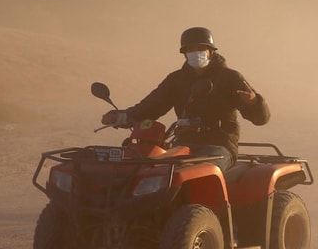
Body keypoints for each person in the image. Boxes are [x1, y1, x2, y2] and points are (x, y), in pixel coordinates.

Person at [101, 27, 269, 171]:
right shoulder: (176, 80)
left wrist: (255, 103)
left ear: (211, 51)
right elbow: (151, 106)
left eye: (201, 48)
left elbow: (261, 119)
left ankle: (203, 209)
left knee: (202, 173)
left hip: (219, 145)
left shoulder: (230, 78)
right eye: (190, 49)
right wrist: (121, 117)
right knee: (155, 171)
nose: (196, 53)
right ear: (184, 53)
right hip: (183, 143)